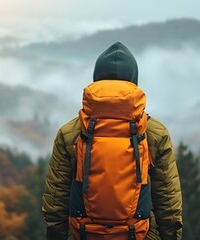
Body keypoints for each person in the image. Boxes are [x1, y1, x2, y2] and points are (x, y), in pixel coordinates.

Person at [42, 42, 183, 240]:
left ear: (96, 79)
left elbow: (56, 203)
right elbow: (168, 203)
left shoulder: (70, 133)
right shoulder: (154, 133)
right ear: (134, 81)